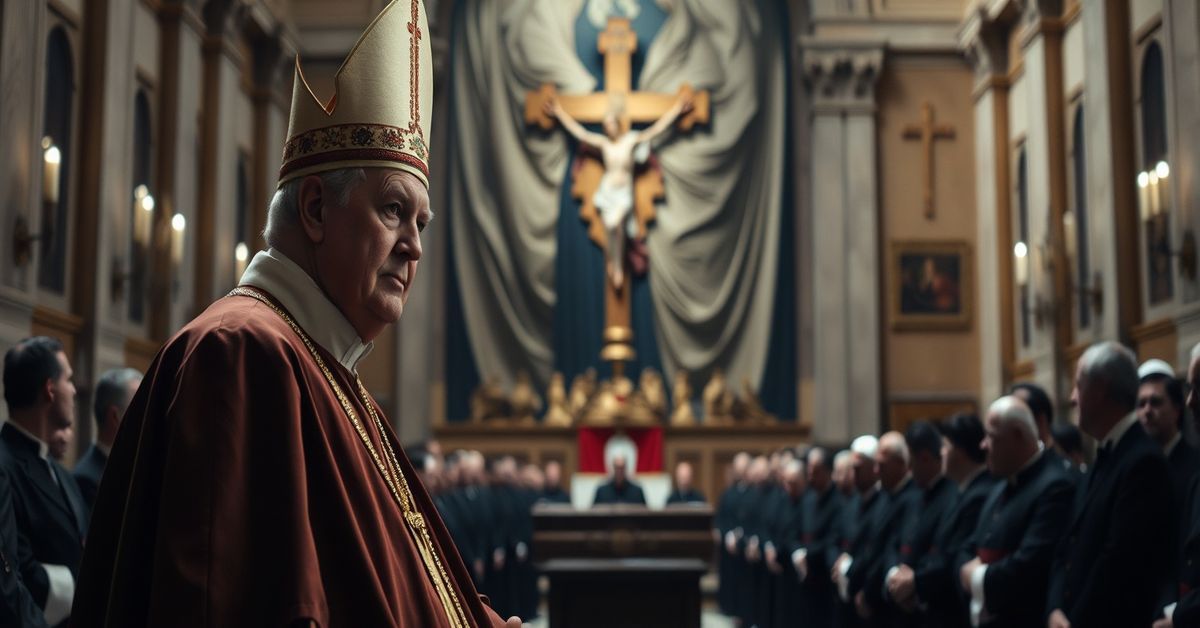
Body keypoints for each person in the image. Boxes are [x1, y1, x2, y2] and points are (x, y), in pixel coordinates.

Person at [71, 2, 518, 626]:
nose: (415, 244)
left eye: (422, 222)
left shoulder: (329, 369)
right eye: (393, 210)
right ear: (315, 208)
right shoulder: (243, 351)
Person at [1046, 342, 1173, 628]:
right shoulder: (1104, 456)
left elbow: (1119, 565)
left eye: (1078, 386)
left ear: (1100, 388)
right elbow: (1066, 544)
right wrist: (1053, 608)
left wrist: (1072, 622)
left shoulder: (1143, 462)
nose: (1071, 398)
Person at [546, 92, 692, 290]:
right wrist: (560, 113)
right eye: (605, 125)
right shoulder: (604, 144)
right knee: (611, 226)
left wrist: (676, 110)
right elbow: (580, 133)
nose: (607, 127)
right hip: (607, 193)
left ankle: (617, 265)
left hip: (623, 194)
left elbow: (656, 129)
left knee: (617, 224)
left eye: (610, 123)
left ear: (617, 123)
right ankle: (613, 262)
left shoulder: (630, 141)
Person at [958, 396, 1073, 628]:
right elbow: (967, 547)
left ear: (1019, 435)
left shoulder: (1055, 484)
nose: (983, 445)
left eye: (991, 436)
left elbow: (1029, 566)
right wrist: (964, 571)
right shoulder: (999, 484)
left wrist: (975, 577)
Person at [1, 336, 88, 627]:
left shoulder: (61, 472)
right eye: (69, 380)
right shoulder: (5, 465)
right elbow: (17, 570)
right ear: (49, 389)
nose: (75, 390)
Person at [907, 413, 996, 628]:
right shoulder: (961, 490)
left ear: (961, 451)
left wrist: (916, 581)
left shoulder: (980, 493)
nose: (941, 452)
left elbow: (954, 554)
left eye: (945, 446)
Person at [882, 421, 958, 625]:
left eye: (911, 463)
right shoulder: (912, 496)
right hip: (901, 604)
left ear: (924, 458)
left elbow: (945, 553)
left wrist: (915, 584)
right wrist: (893, 576)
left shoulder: (953, 495)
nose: (908, 470)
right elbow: (894, 541)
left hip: (932, 608)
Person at [1137, 358, 1199, 533]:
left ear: (1177, 409)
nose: (1147, 411)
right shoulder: (1137, 466)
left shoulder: (1195, 465)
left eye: (1155, 402)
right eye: (1141, 404)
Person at [74, 368, 142, 513]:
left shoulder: (136, 468)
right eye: (141, 410)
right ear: (115, 416)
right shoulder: (86, 479)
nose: (148, 419)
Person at [792, 447, 841, 627]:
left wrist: (807, 555)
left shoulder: (838, 500)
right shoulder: (808, 497)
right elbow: (796, 531)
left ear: (828, 471)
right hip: (805, 574)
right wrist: (797, 551)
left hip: (825, 577)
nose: (811, 477)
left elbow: (833, 539)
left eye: (816, 472)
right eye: (809, 472)